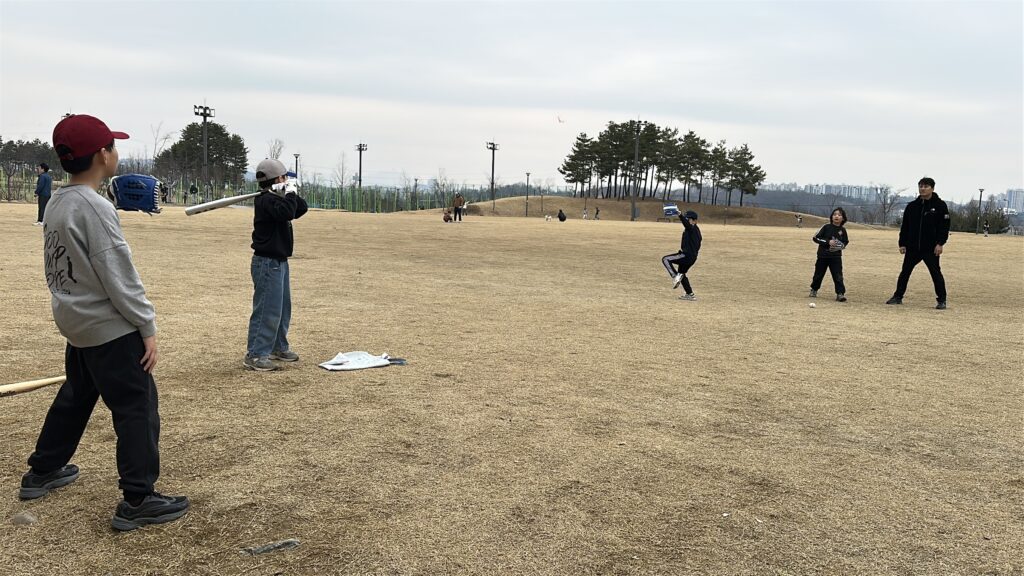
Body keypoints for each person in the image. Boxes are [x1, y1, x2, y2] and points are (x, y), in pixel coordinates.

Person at [21, 114, 188, 531]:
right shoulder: (94, 208)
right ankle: (138, 498)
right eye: (112, 147)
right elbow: (119, 276)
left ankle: (43, 470)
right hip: (109, 329)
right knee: (137, 407)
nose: (116, 153)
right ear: (101, 155)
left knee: (76, 396)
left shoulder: (59, 200)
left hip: (77, 324)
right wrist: (146, 327)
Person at [244, 158, 309, 371]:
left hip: (279, 262)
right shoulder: (266, 201)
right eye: (285, 177)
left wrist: (288, 193)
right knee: (267, 310)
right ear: (277, 179)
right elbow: (287, 212)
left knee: (282, 308)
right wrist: (287, 193)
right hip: (266, 263)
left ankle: (278, 346)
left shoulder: (276, 199)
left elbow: (300, 208)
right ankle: (256, 354)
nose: (288, 180)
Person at [886, 177, 950, 309]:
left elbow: (944, 227)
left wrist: (940, 243)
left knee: (935, 273)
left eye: (926, 186)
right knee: (905, 272)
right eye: (920, 186)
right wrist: (902, 243)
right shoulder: (912, 206)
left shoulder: (940, 206)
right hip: (913, 247)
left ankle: (942, 300)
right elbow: (905, 227)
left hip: (930, 248)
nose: (922, 189)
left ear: (932, 188)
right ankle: (898, 296)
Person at [808, 207, 850, 302]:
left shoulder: (842, 230)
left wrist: (840, 246)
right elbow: (815, 238)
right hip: (823, 256)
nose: (836, 216)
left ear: (843, 218)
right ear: (831, 217)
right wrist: (828, 242)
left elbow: (845, 241)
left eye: (839, 215)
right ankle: (814, 289)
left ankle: (840, 294)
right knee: (818, 274)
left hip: (836, 257)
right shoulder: (826, 227)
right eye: (835, 214)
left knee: (838, 276)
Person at [661, 210, 702, 300]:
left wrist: (680, 215)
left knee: (665, 259)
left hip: (686, 255)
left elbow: (686, 225)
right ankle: (689, 294)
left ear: (694, 221)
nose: (687, 221)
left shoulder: (691, 228)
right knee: (682, 273)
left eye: (689, 219)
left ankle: (675, 277)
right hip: (692, 257)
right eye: (686, 219)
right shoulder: (695, 230)